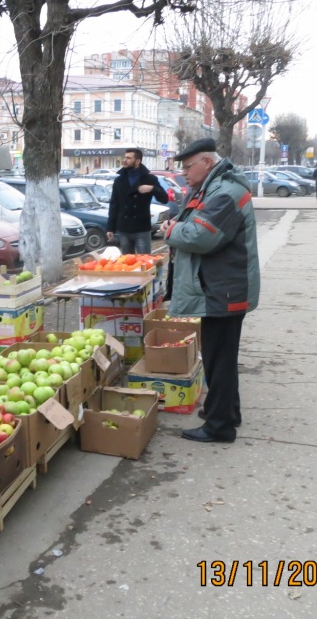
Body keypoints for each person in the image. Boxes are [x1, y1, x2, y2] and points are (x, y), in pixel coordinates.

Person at [160, 138, 260, 444]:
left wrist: (172, 231)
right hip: (218, 287)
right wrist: (179, 223)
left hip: (224, 289)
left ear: (207, 162)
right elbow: (195, 220)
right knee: (220, 357)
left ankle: (220, 427)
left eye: (188, 167)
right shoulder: (213, 187)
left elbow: (202, 236)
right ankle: (226, 412)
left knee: (220, 357)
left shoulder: (225, 192)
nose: (185, 174)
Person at [106, 148, 171, 254]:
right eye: (125, 157)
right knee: (127, 263)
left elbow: (164, 199)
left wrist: (152, 189)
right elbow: (114, 204)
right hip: (124, 227)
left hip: (141, 228)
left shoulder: (150, 179)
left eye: (128, 158)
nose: (125, 160)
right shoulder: (119, 180)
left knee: (144, 262)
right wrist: (110, 228)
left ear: (138, 161)